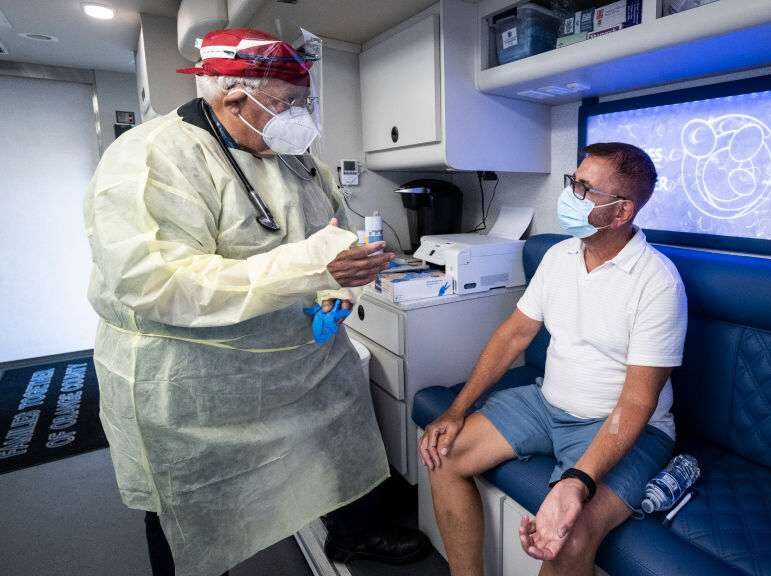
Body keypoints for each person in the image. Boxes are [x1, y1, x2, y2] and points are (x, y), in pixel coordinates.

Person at [84, 28, 426, 576]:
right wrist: (310, 270)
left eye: (303, 102)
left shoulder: (295, 159)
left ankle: (355, 536)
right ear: (233, 98)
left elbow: (330, 234)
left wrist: (337, 288)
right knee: (193, 496)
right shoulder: (153, 158)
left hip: (301, 360)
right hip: (200, 378)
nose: (301, 117)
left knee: (338, 444)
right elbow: (155, 282)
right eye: (288, 103)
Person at [419, 143, 687, 576]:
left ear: (622, 213)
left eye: (585, 190)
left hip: (623, 427)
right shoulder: (559, 256)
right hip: (547, 403)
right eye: (573, 182)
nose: (570, 196)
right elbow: (513, 336)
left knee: (572, 533)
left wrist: (577, 483)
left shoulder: (657, 282)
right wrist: (456, 409)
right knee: (443, 456)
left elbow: (637, 402)